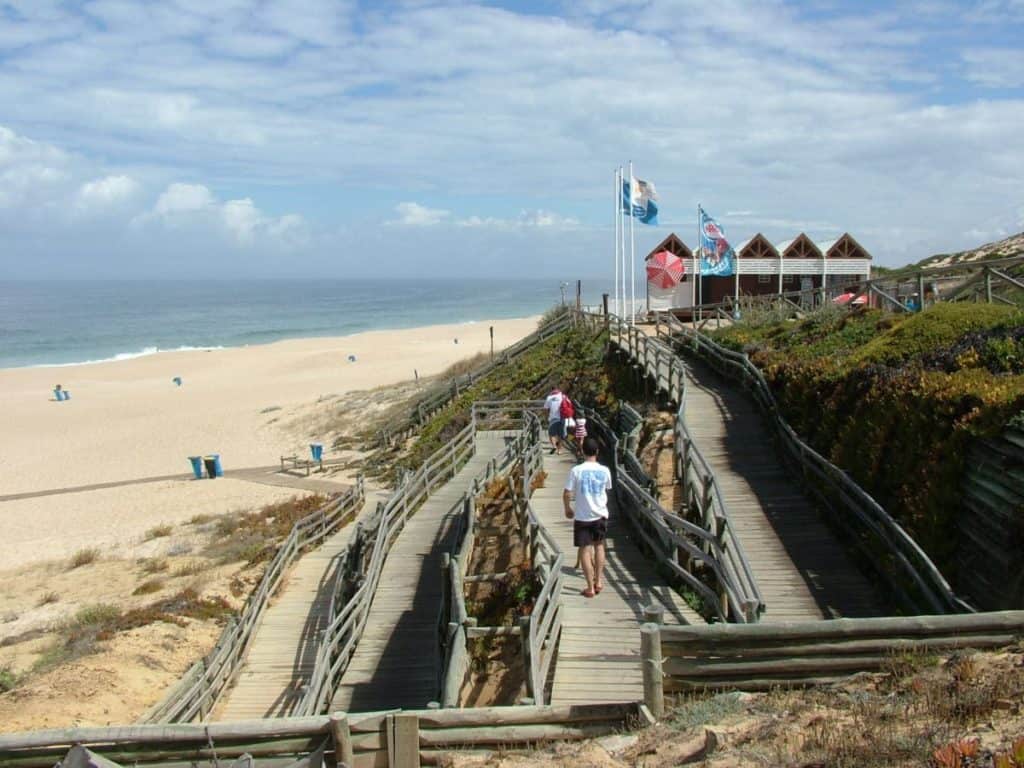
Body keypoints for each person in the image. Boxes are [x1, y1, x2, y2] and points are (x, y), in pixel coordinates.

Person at [563, 436, 612, 598]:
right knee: (599, 546)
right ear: (597, 451)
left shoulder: (576, 471)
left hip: (583, 515)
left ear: (582, 451)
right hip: (600, 514)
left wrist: (567, 508)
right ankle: (599, 581)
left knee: (585, 549)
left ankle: (590, 587)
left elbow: (567, 493)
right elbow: (607, 489)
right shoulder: (605, 471)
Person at [544, 386, 564, 454]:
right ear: (558, 389)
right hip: (561, 418)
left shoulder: (549, 398)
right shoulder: (562, 396)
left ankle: (554, 446)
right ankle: (560, 450)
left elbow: (546, 409)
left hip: (552, 418)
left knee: (551, 434)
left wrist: (547, 418)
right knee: (560, 435)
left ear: (551, 390)